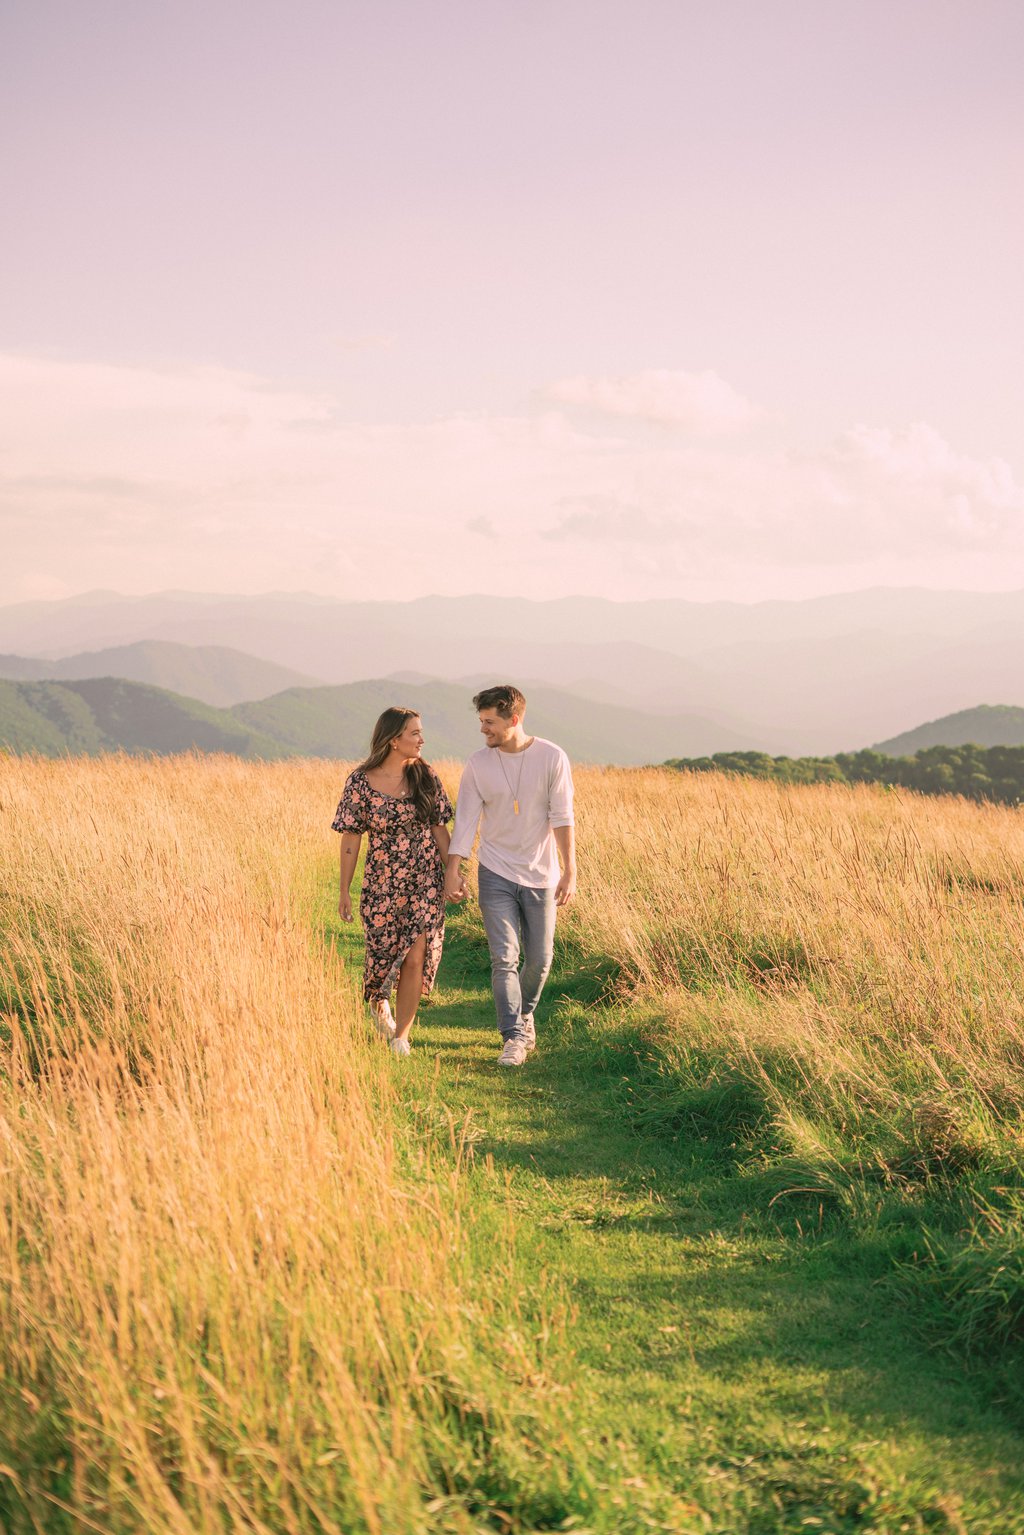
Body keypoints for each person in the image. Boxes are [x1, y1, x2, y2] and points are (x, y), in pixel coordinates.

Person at [444, 685, 576, 1067]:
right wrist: (454, 869)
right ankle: (513, 1037)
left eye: (490, 722)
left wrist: (570, 869)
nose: (483, 729)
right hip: (495, 871)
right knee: (504, 958)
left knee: (541, 960)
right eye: (481, 721)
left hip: (542, 874)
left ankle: (523, 1013)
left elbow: (562, 816)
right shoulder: (478, 764)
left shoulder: (552, 757)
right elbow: (466, 821)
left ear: (513, 719)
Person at [332, 708, 453, 1057]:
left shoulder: (426, 776)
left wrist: (453, 873)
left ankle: (402, 1036)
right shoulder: (360, 782)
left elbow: (439, 830)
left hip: (425, 880)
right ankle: (378, 1001)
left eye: (420, 732)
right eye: (414, 733)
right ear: (394, 740)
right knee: (382, 956)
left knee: (416, 954)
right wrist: (344, 891)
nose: (422, 739)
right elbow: (351, 839)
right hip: (382, 881)